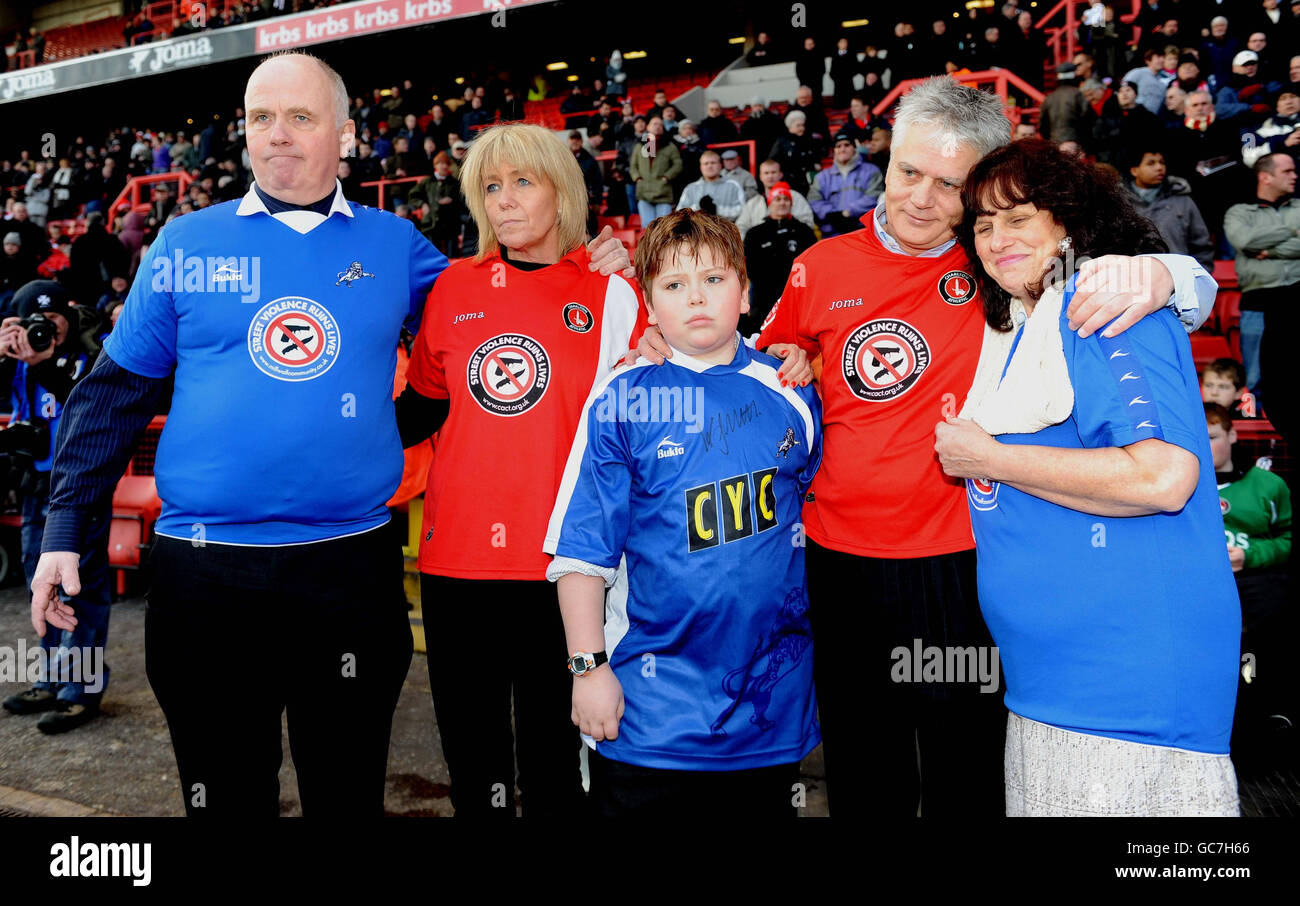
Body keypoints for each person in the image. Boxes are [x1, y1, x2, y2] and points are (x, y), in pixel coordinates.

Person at [30, 52, 630, 818]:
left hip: (349, 575)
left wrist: (594, 264)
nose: (277, 136)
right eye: (260, 118)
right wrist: (60, 533)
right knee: (222, 800)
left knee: (346, 800)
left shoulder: (398, 248)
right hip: (204, 577)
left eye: (301, 118)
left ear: (346, 135)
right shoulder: (184, 245)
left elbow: (504, 313)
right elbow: (108, 400)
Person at [637, 77, 1215, 817]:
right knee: (864, 766)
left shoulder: (1001, 265)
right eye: (910, 172)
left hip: (963, 563)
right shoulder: (821, 265)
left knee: (966, 769)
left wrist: (1170, 271)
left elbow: (1112, 275)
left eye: (950, 185)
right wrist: (657, 336)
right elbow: (744, 357)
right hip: (843, 564)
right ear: (887, 157)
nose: (921, 198)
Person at [395, 125, 799, 816]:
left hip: (568, 574)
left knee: (561, 774)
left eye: (524, 182)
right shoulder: (453, 289)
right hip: (456, 565)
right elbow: (415, 414)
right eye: (491, 187)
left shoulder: (616, 292)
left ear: (565, 190)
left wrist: (793, 359)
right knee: (474, 768)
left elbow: (711, 359)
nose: (505, 202)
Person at [937, 138, 1239, 816]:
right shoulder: (1020, 324)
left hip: (1129, 692)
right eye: (982, 224)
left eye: (1018, 217)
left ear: (1069, 219)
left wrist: (989, 459)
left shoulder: (1105, 302)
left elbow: (1163, 478)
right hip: (1048, 690)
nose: (995, 237)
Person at [545, 209, 823, 817]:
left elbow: (818, 526)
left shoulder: (793, 392)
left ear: (746, 294)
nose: (696, 298)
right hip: (650, 712)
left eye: (715, 280)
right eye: (673, 285)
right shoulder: (623, 396)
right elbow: (582, 553)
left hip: (766, 707)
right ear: (649, 304)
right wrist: (587, 668)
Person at [0, 282, 109, 734]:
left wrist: (42, 365)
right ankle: (49, 679)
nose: (47, 327)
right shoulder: (22, 357)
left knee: (80, 591)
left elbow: (85, 403)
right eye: (34, 320)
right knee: (38, 586)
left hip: (80, 489)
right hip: (36, 485)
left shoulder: (90, 352)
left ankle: (80, 693)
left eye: (54, 318)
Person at [1207, 402, 1293, 756]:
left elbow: (1289, 539)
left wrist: (1251, 555)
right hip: (1201, 589)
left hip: (1255, 584)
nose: (1205, 444)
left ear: (1232, 434)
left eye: (1212, 436)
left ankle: (1261, 722)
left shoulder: (1268, 485)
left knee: (1253, 654)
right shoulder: (1180, 482)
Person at [1223, 152, 1300, 397]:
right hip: (1258, 303)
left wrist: (1268, 249)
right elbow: (1245, 240)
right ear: (1265, 177)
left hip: (1297, 299)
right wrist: (1292, 230)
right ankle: (1253, 429)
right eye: (1287, 171)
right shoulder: (1239, 212)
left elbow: (1253, 242)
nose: (1295, 176)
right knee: (1255, 378)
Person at [743, 183, 817, 335]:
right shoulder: (755, 233)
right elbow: (749, 264)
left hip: (797, 292)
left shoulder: (804, 231)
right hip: (764, 294)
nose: (782, 202)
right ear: (769, 203)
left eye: (786, 199)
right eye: (777, 199)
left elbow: (814, 264)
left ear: (791, 203)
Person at [1123, 148, 1214, 269]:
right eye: (1151, 163)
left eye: (1162, 162)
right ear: (1134, 171)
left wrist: (1197, 279)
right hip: (1133, 280)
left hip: (1178, 280)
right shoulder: (1121, 203)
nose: (1159, 167)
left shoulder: (1183, 201)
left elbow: (1202, 247)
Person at [807, 133, 883, 237]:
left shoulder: (871, 171)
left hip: (862, 232)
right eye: (838, 146)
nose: (842, 149)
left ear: (854, 148)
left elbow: (874, 196)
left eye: (846, 145)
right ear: (834, 151)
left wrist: (849, 212)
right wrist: (833, 215)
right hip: (831, 234)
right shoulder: (822, 177)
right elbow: (814, 200)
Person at [734, 159, 816, 238]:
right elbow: (740, 228)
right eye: (766, 173)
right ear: (760, 177)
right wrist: (754, 242)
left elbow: (807, 223)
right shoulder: (753, 203)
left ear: (781, 175)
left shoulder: (795, 197)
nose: (770, 176)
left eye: (773, 172)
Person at [630, 117, 682, 226]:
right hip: (644, 192)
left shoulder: (669, 146)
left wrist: (667, 176)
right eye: (654, 124)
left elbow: (678, 164)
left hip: (663, 192)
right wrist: (637, 178)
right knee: (647, 228)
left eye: (660, 125)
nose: (658, 126)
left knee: (664, 227)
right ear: (648, 127)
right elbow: (633, 166)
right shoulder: (640, 146)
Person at [1240, 85, 1300, 167]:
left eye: (1293, 96)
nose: (1289, 101)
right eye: (1283, 98)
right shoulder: (1260, 132)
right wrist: (1282, 144)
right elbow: (1248, 158)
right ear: (1277, 107)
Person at [676, 150, 745, 221]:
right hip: (697, 231)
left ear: (720, 165)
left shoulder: (733, 185)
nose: (709, 166)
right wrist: (699, 209)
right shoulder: (690, 188)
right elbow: (679, 214)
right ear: (701, 167)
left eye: (713, 163)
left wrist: (717, 209)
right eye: (706, 163)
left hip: (724, 230)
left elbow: (743, 212)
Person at [767, 110, 822, 196]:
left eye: (803, 125)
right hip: (789, 182)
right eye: (798, 125)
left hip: (808, 182)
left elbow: (816, 159)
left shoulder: (809, 139)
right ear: (790, 127)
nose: (802, 128)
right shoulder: (782, 141)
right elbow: (772, 161)